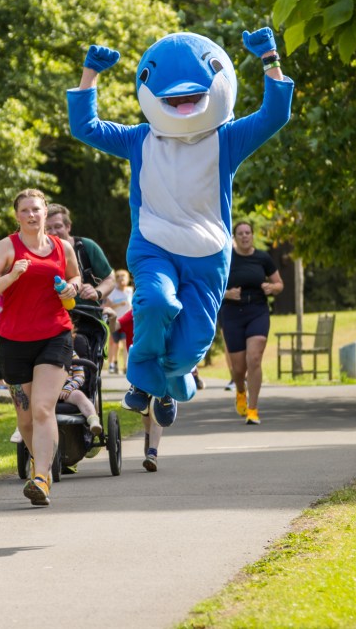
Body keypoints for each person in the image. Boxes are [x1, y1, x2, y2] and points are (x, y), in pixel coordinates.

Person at [68, 26, 293, 428]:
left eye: (194, 91)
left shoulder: (227, 139)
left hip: (208, 255)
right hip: (154, 246)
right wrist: (91, 72)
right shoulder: (140, 140)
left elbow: (275, 115)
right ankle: (143, 378)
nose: (185, 99)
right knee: (155, 303)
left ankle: (169, 382)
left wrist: (269, 59)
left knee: (191, 348)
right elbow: (86, 127)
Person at [0, 189, 82, 507]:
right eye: (25, 210)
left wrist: (71, 288)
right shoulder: (7, 247)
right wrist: (12, 275)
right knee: (24, 419)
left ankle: (41, 477)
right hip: (14, 341)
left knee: (42, 408)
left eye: (36, 209)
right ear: (17, 215)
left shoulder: (62, 247)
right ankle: (43, 471)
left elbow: (74, 277)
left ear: (46, 211)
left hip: (55, 335)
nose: (31, 215)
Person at [218, 221, 283, 425]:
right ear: (234, 237)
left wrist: (272, 288)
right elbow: (211, 287)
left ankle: (253, 409)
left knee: (254, 359)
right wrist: (227, 293)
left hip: (257, 311)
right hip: (232, 313)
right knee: (238, 368)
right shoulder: (226, 257)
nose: (245, 236)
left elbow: (280, 284)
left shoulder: (262, 257)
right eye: (240, 233)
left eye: (248, 233)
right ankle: (240, 391)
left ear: (253, 235)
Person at [44, 203, 115, 318]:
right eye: (48, 228)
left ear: (68, 227)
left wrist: (97, 292)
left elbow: (110, 278)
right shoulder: (38, 252)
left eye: (58, 226)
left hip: (86, 316)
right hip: (51, 317)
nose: (53, 232)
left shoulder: (86, 247)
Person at [116, 309, 163, 471]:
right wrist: (112, 315)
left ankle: (152, 453)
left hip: (161, 368)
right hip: (141, 371)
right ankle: (148, 435)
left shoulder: (166, 309)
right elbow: (115, 326)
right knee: (146, 411)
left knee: (157, 409)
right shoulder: (134, 313)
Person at [104, 269, 133, 374]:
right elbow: (107, 306)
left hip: (127, 321)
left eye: (123, 279)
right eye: (119, 279)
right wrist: (119, 304)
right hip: (115, 321)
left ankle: (126, 365)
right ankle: (113, 364)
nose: (122, 282)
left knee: (126, 343)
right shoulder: (113, 292)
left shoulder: (130, 291)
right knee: (114, 343)